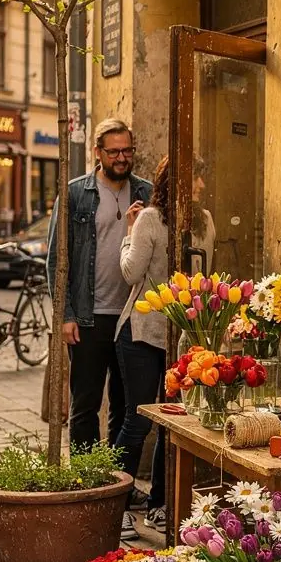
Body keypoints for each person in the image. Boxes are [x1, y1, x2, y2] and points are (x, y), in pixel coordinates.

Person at [47, 119, 152, 527]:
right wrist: (66, 317)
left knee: (127, 407)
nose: (123, 158)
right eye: (114, 152)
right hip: (88, 318)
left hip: (133, 317)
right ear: (98, 152)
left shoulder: (144, 190)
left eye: (128, 150)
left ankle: (117, 489)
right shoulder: (76, 193)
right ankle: (89, 486)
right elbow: (58, 259)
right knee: (86, 405)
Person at [114, 155, 169, 532]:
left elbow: (130, 270)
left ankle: (156, 503)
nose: (200, 187)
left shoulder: (150, 218)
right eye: (195, 180)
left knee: (166, 424)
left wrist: (128, 235)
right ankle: (122, 504)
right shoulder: (153, 218)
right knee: (142, 420)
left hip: (167, 331)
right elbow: (135, 274)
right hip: (145, 333)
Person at [190, 156, 215, 273]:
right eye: (195, 178)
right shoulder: (152, 218)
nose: (202, 185)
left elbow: (203, 274)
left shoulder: (206, 219)